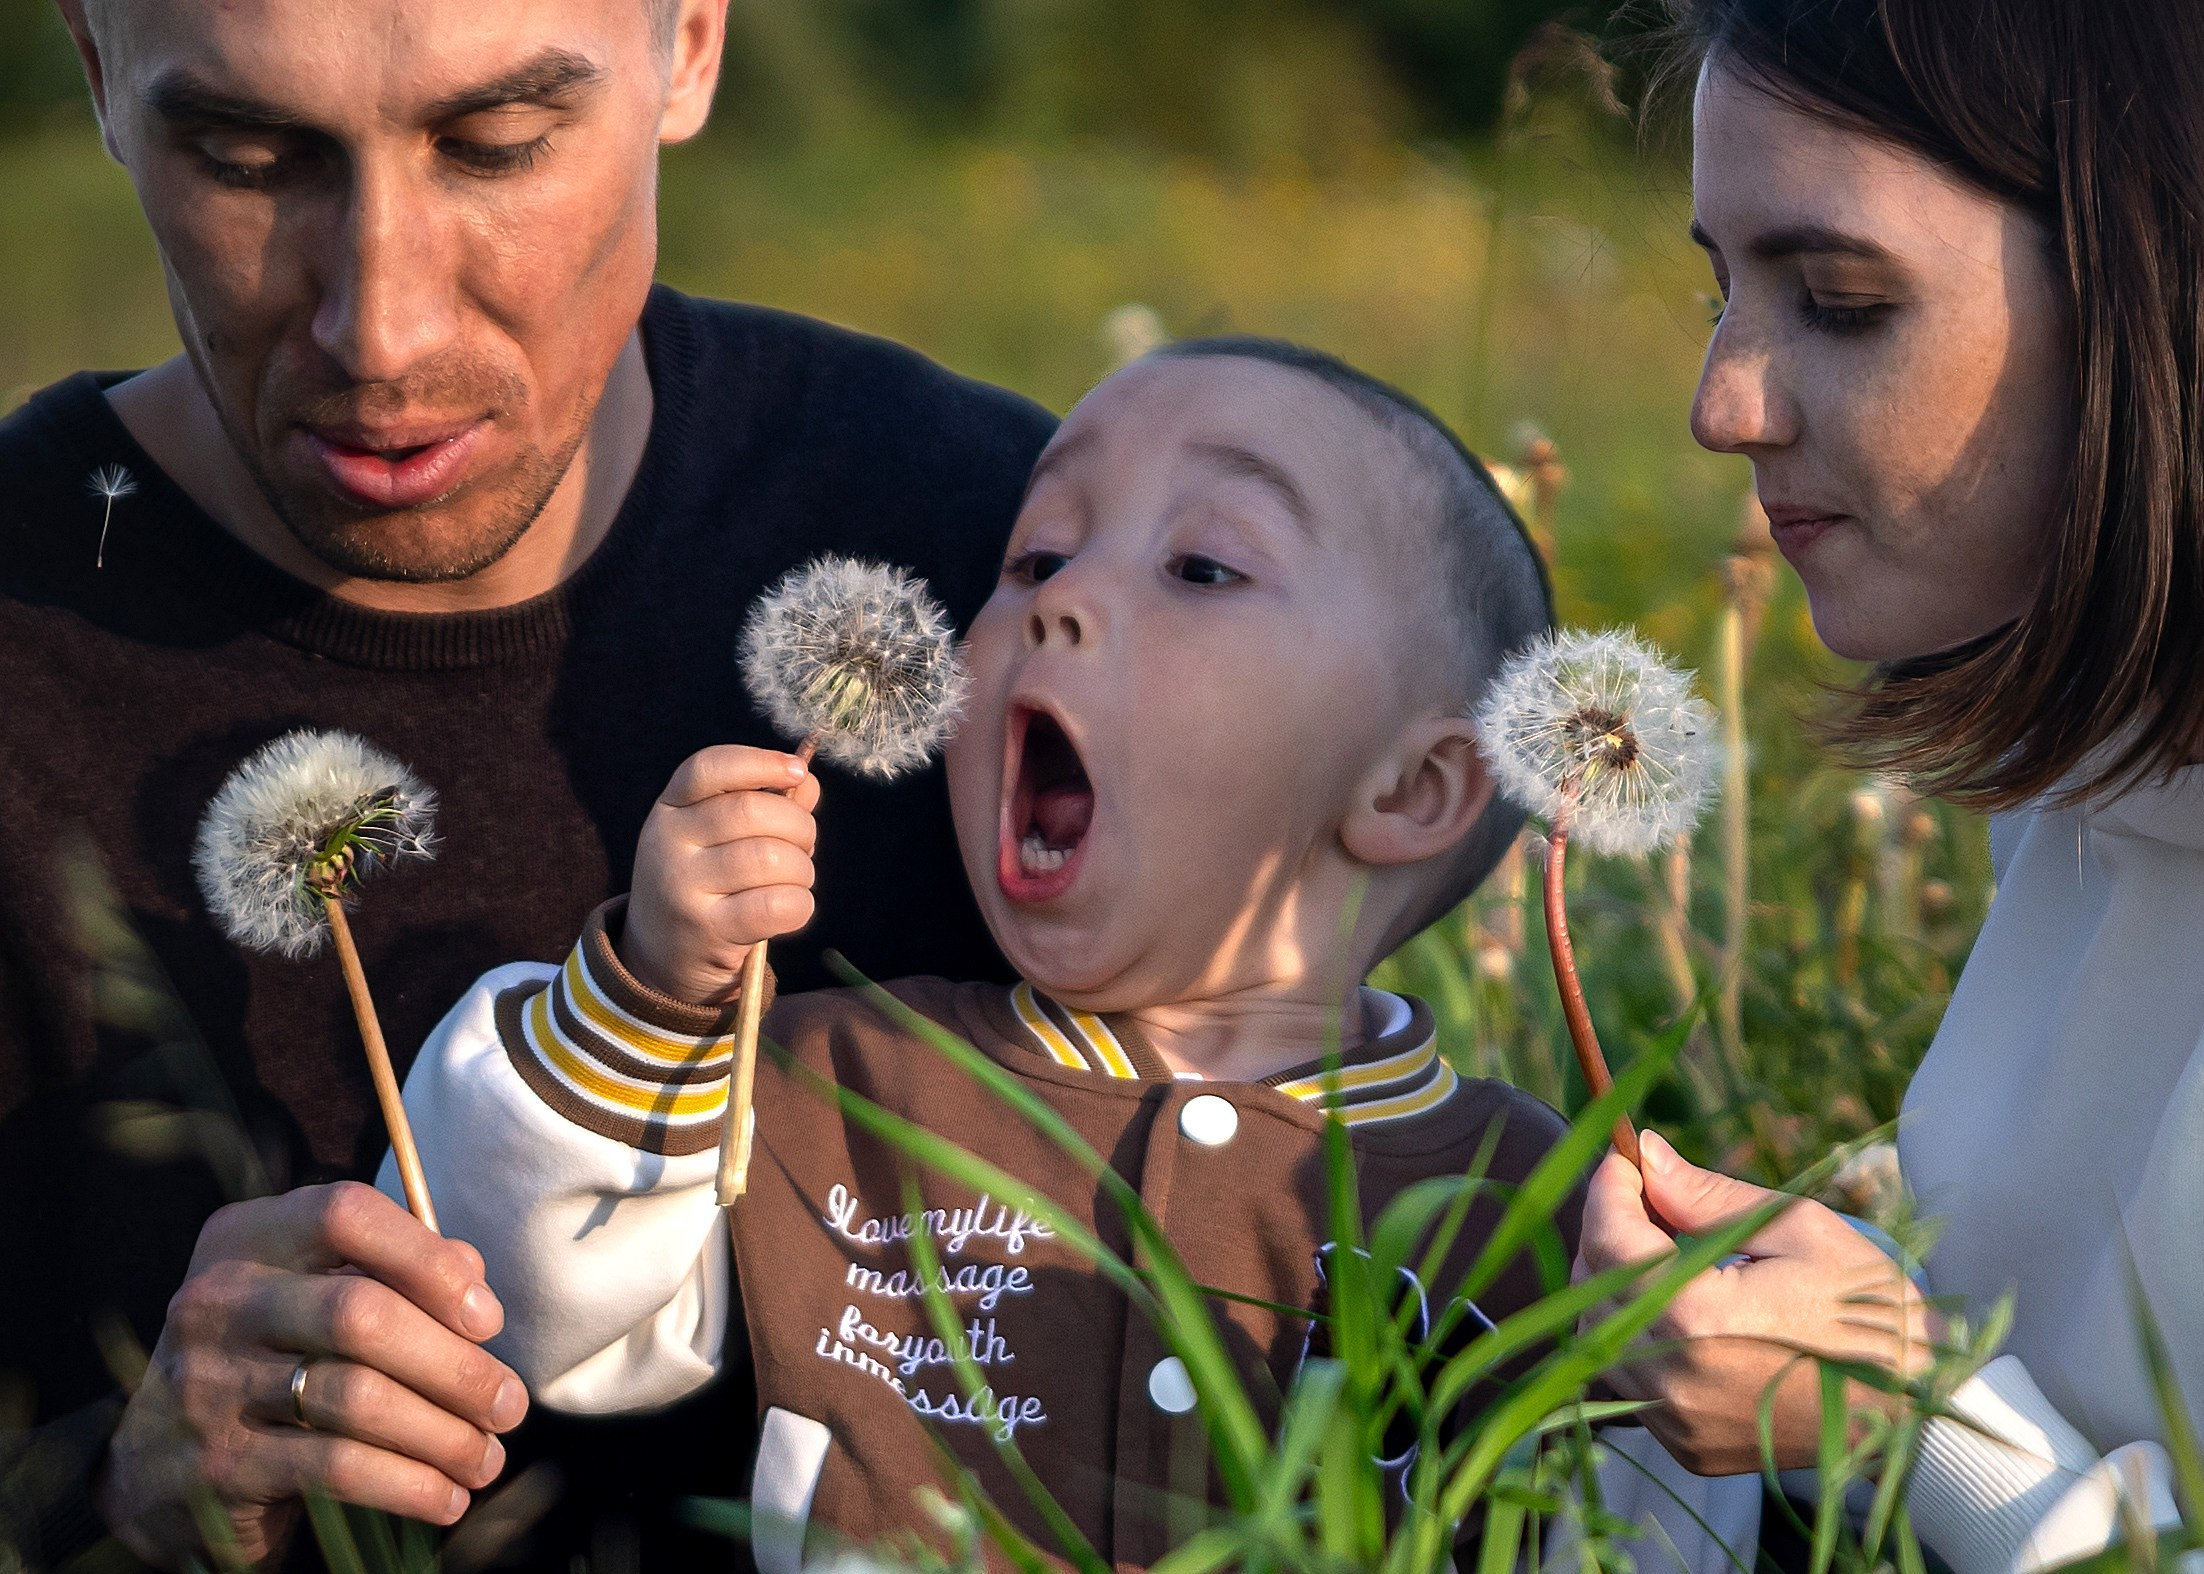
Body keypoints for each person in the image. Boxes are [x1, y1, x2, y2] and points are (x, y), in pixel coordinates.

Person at [0, 0, 1054, 1568]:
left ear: (688, 45)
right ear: (95, 77)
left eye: (495, 147)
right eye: (245, 158)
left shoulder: (1003, 558)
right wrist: (122, 1498)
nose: (384, 329)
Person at [384, 339, 1571, 1566]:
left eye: (1202, 567)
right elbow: (519, 1307)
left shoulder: (1540, 1204)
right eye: (1035, 557)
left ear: (1414, 786)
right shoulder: (837, 1083)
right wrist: (651, 986)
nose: (1056, 598)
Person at [1577, 2, 2204, 1571]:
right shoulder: (2081, 786)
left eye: (1843, 301)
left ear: (2160, 287)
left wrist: (1895, 1413)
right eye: (1725, 291)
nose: (1725, 404)